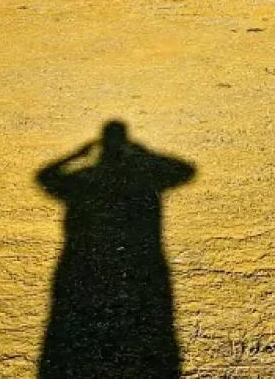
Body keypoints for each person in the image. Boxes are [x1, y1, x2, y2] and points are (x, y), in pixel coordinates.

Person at [37, 121, 196, 379]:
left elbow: (44, 178)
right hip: (141, 267)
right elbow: (186, 170)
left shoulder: (82, 181)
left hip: (84, 268)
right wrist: (147, 155)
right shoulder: (144, 181)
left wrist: (77, 156)